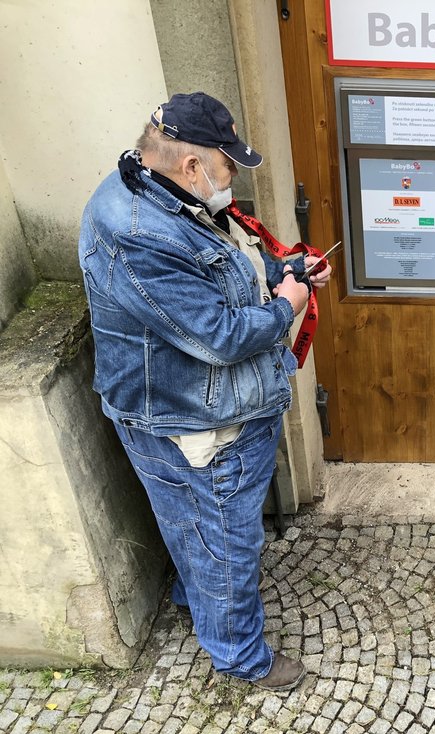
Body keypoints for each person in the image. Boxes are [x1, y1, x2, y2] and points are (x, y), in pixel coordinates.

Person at [78, 92, 332, 690]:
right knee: (223, 541)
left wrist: (281, 273)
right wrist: (285, 308)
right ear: (193, 165)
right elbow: (219, 333)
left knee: (196, 526)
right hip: (194, 423)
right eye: (229, 164)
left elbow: (217, 277)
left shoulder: (160, 190)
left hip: (203, 409)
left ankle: (197, 600)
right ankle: (241, 657)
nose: (234, 177)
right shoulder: (138, 232)